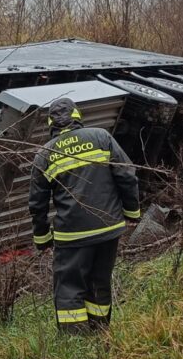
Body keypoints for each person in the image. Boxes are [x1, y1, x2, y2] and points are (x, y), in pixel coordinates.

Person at [29, 97, 140, 334]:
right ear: (77, 117)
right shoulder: (101, 137)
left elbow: (37, 204)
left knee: (69, 287)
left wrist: (42, 238)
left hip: (72, 235)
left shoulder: (45, 154)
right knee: (99, 281)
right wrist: (132, 213)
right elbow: (127, 175)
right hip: (108, 229)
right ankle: (99, 332)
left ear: (51, 124)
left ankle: (75, 341)